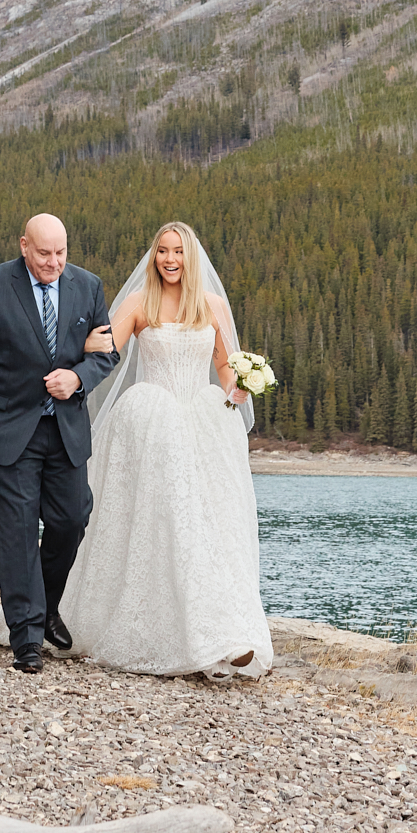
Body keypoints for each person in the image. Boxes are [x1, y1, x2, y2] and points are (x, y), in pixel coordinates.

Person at [59, 220, 272, 677]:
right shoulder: (139, 303)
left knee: (210, 524)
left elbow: (224, 366)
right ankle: (183, 634)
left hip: (201, 420)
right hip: (151, 421)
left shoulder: (212, 305)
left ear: (190, 256)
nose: (169, 259)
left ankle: (224, 634)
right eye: (162, 251)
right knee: (164, 522)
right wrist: (79, 341)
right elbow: (106, 351)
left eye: (177, 251)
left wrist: (240, 388)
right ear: (153, 256)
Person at [0, 213, 116, 673]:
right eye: (44, 253)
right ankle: (26, 639)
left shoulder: (89, 287)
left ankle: (45, 606)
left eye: (61, 253)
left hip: (65, 430)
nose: (54, 262)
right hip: (6, 430)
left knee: (72, 519)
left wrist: (78, 377)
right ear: (24, 245)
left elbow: (107, 352)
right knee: (18, 531)